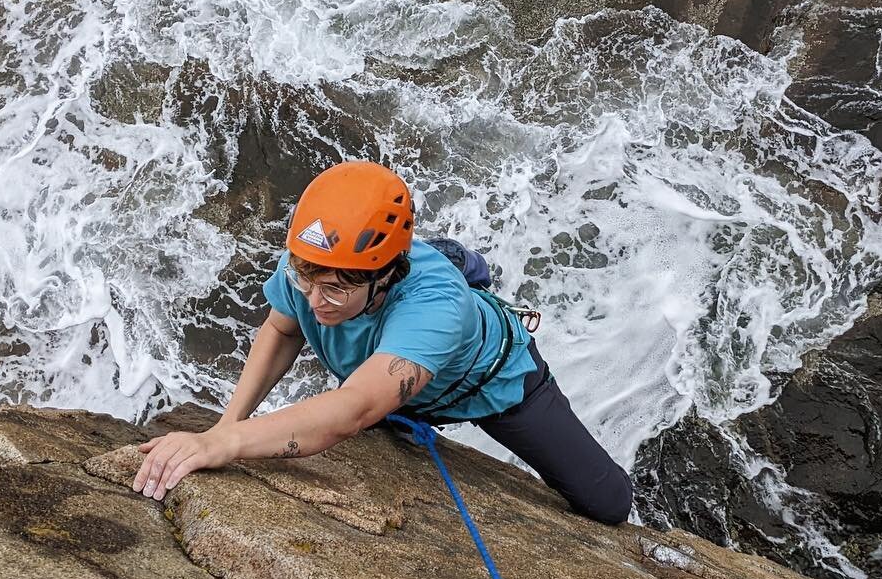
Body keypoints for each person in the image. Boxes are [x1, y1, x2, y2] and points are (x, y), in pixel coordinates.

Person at [131, 160, 634, 523]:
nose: (315, 300)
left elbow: (351, 409)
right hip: (390, 368)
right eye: (307, 282)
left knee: (607, 503)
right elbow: (281, 329)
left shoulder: (434, 308)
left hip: (492, 382)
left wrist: (226, 445)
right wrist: (225, 423)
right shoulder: (310, 264)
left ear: (385, 275)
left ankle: (451, 263)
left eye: (335, 289)